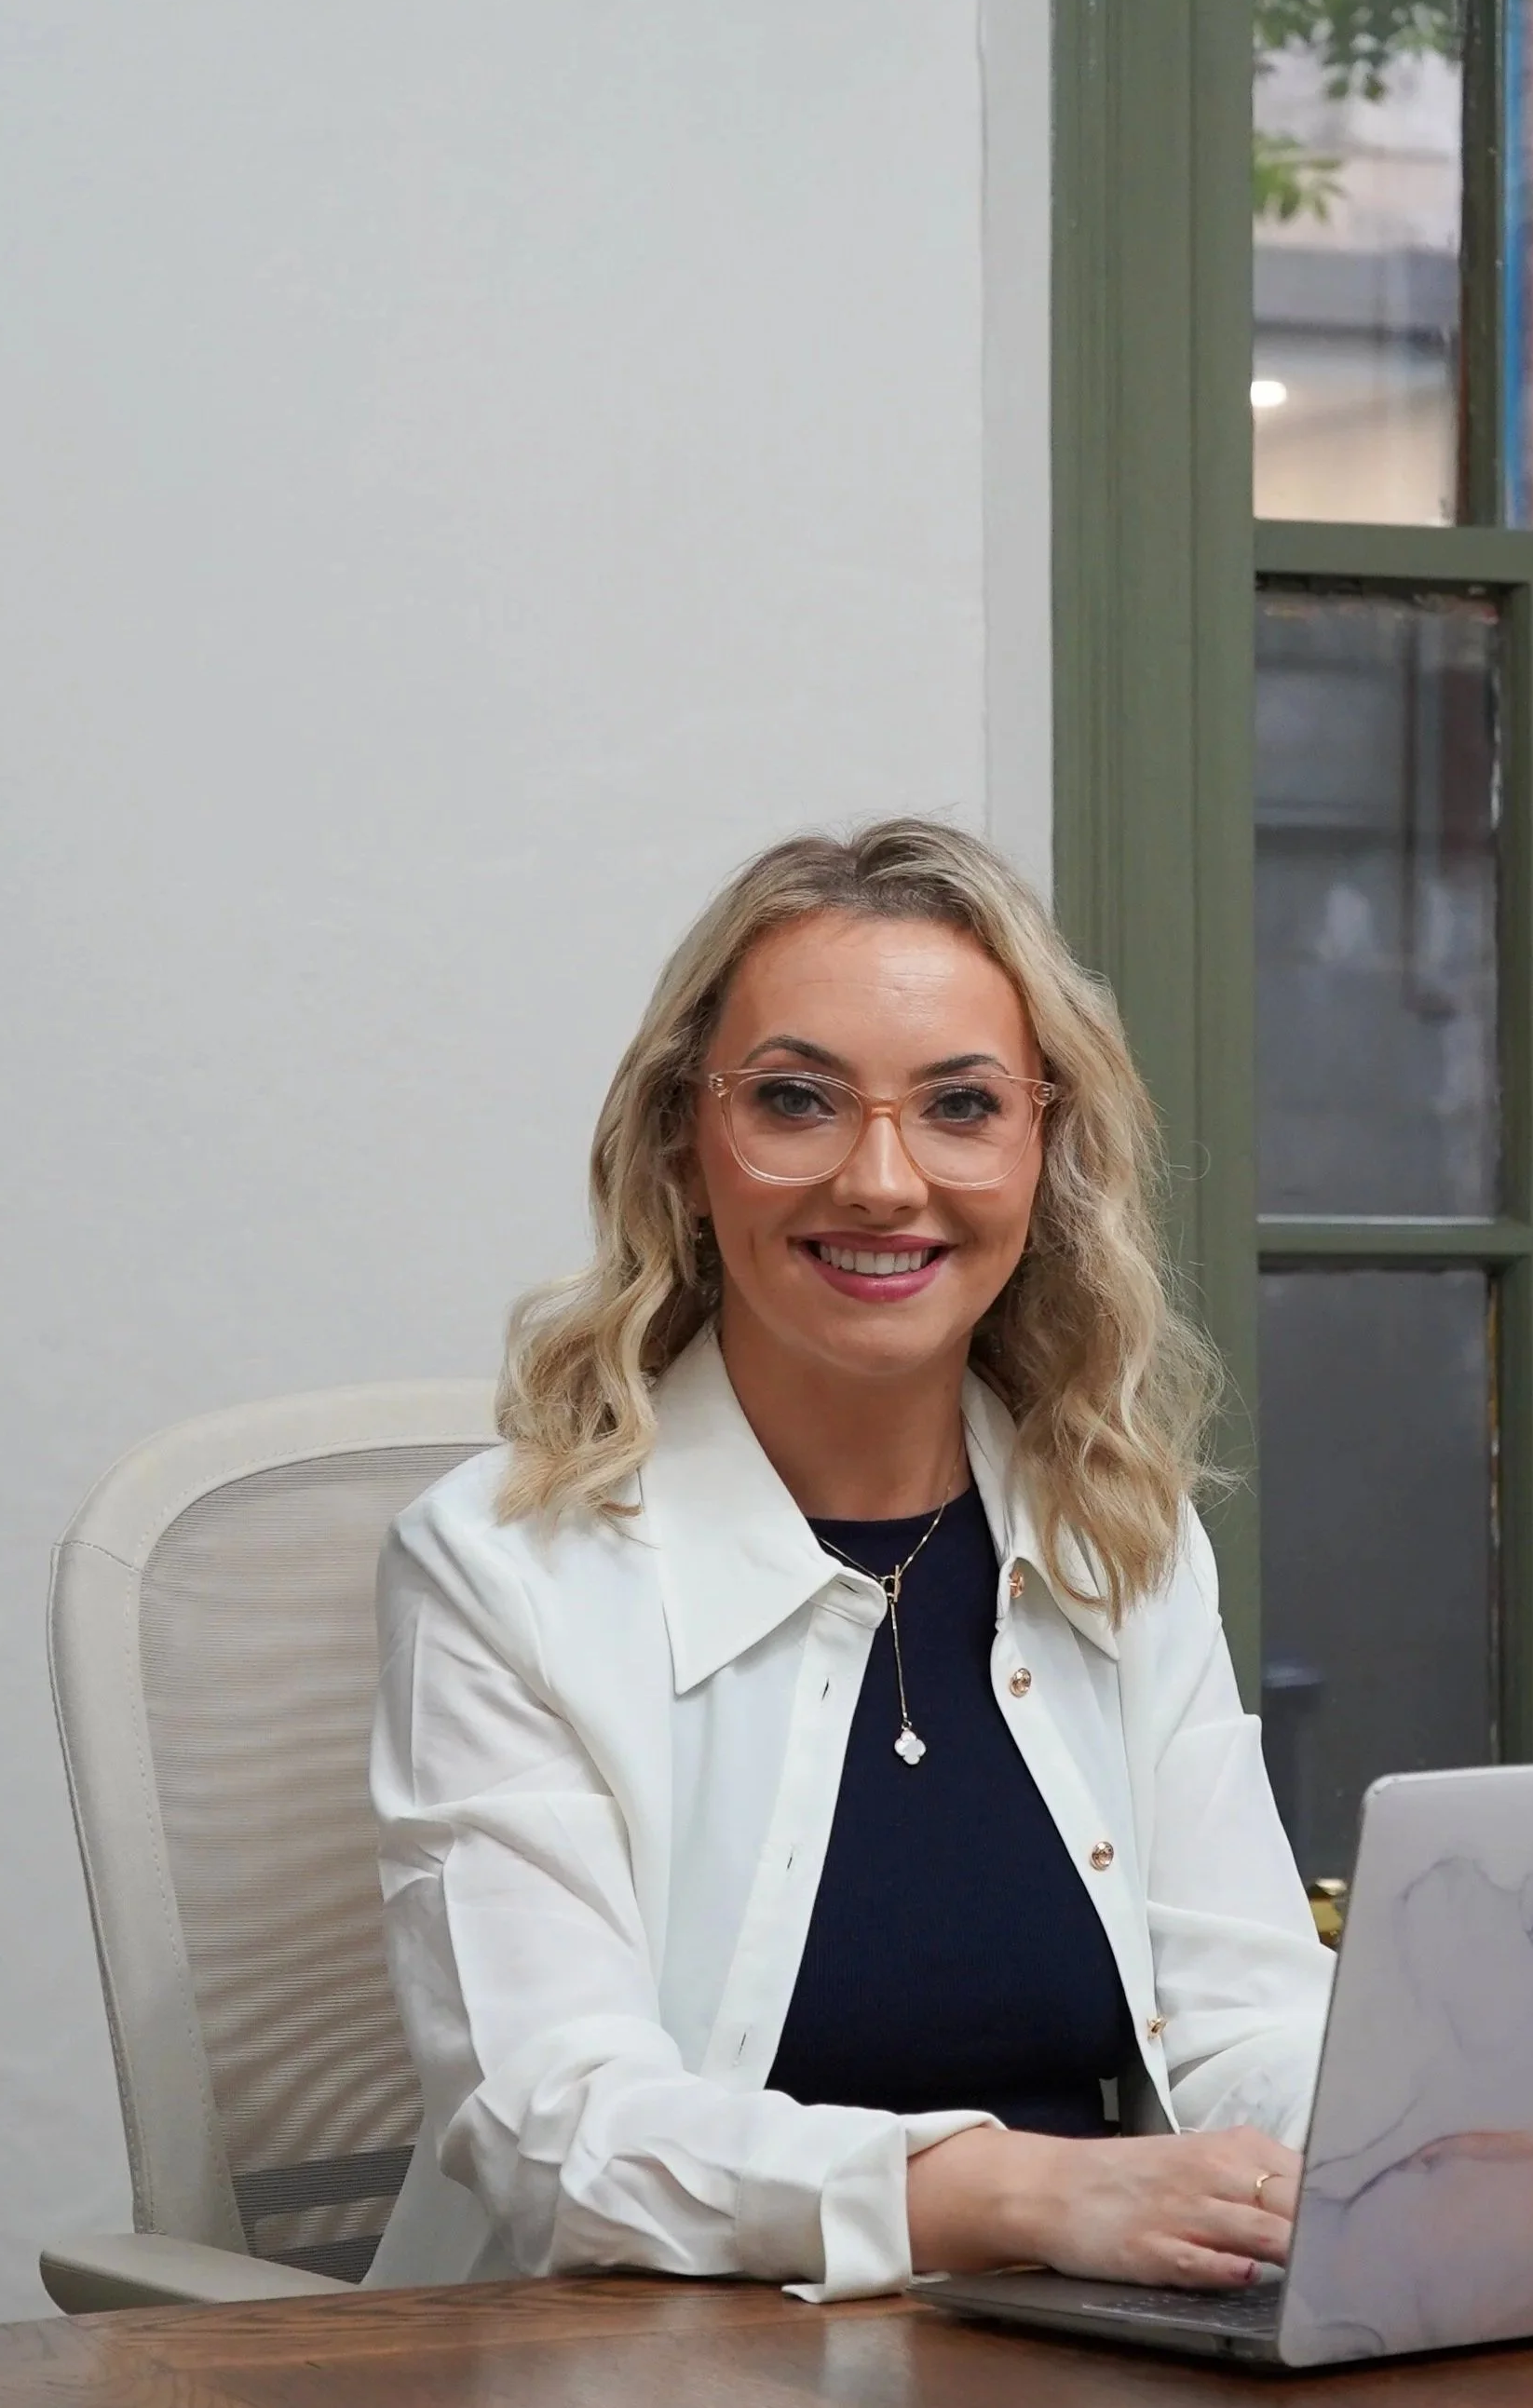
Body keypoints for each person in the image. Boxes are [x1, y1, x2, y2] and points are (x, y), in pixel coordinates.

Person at [365, 818, 1333, 2301]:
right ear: (685, 1147)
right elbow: (557, 2129)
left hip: (1103, 2376)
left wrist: (1410, 2150)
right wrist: (1018, 2193)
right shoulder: (506, 1570)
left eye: (960, 1106)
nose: (883, 1181)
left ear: (1043, 1152)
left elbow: (1244, 2017)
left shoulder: (1115, 1530)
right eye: (798, 1101)